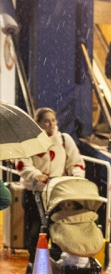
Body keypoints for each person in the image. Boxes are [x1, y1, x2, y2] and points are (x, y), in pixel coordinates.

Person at [15, 108, 85, 256]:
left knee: (58, 230)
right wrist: (36, 174)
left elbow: (75, 162)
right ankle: (35, 263)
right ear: (38, 123)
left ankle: (55, 262)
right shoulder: (29, 142)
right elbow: (22, 164)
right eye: (46, 121)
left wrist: (77, 176)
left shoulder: (64, 140)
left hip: (56, 193)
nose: (50, 124)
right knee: (36, 229)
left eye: (53, 120)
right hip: (34, 193)